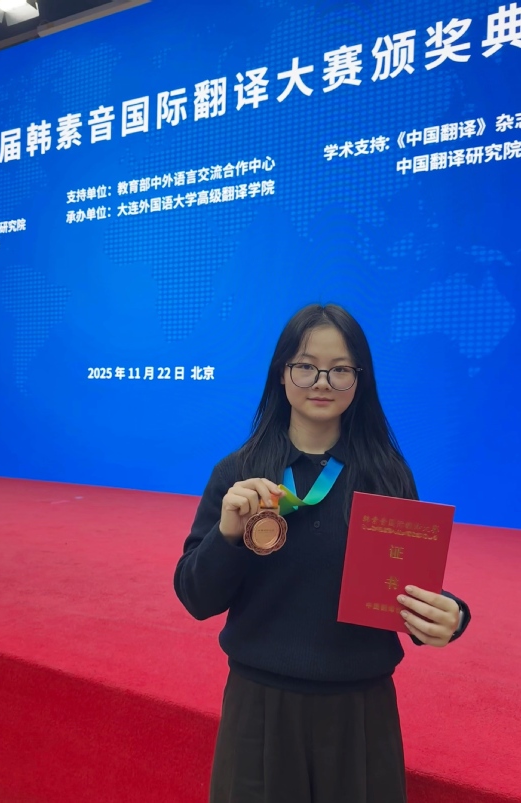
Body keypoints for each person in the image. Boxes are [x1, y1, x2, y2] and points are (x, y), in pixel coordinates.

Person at [173, 303, 470, 803]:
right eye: (306, 366)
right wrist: (227, 535)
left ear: (360, 380)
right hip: (259, 713)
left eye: (340, 370)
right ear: (281, 372)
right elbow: (197, 598)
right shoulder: (240, 475)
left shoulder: (387, 476)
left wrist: (451, 615)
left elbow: (408, 584)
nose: (322, 382)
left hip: (361, 714)